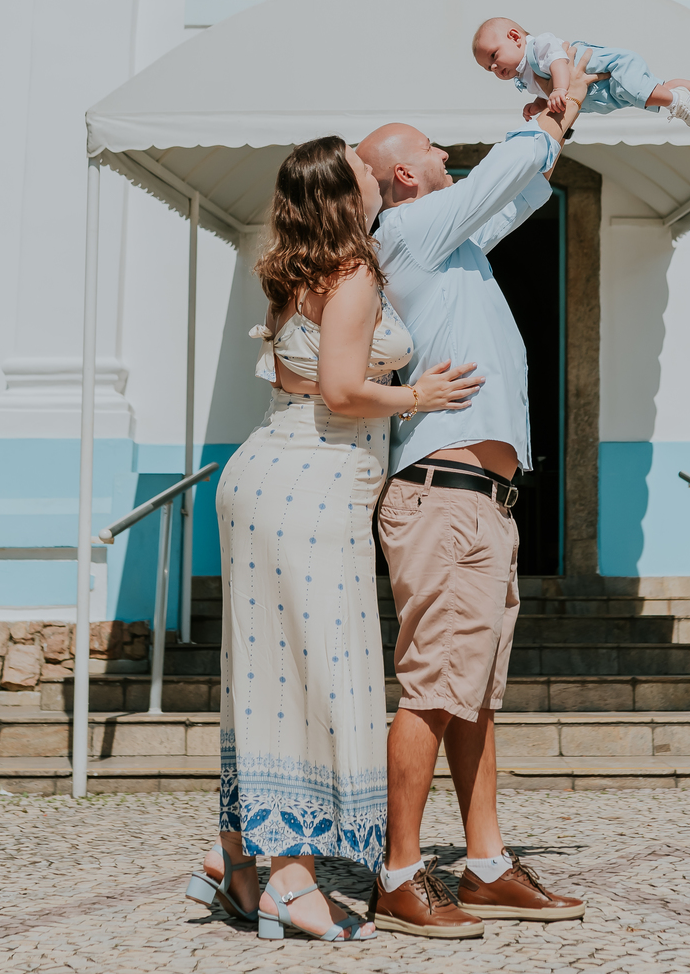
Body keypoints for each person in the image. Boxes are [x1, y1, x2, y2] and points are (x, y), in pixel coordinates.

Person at [186, 136, 483, 944]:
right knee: (318, 675)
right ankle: (291, 882)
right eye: (359, 165)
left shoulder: (296, 271)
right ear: (344, 195)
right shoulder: (350, 275)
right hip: (309, 488)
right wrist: (420, 395)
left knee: (268, 675)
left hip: (273, 476)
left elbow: (297, 374)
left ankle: (236, 855)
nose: (372, 170)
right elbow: (345, 389)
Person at [354, 53, 593, 939]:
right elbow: (503, 170)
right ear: (405, 177)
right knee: (431, 688)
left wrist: (559, 122)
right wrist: (545, 118)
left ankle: (486, 864)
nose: (445, 154)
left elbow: (520, 192)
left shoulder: (450, 245)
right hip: (446, 498)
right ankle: (399, 873)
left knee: (474, 692)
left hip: (482, 503)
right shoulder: (408, 231)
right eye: (430, 148)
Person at [471, 15, 690, 128]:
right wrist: (538, 104)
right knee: (659, 87)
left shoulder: (538, 46)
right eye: (487, 68)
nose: (493, 67)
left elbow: (559, 62)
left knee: (649, 94)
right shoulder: (525, 75)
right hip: (608, 89)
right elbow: (547, 91)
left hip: (613, 70)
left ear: (515, 37)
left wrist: (559, 89)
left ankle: (677, 101)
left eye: (493, 56)